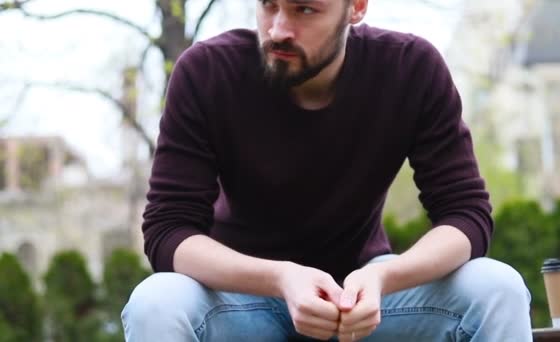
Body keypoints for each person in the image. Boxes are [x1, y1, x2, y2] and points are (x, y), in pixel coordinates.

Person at [121, 0, 533, 341]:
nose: (279, 29)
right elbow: (168, 231)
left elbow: (467, 216)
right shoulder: (206, 72)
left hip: (368, 299)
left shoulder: (411, 68)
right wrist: (281, 278)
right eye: (269, 6)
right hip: (241, 298)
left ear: (355, 7)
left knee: (497, 288)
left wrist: (385, 279)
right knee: (157, 303)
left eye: (304, 9)